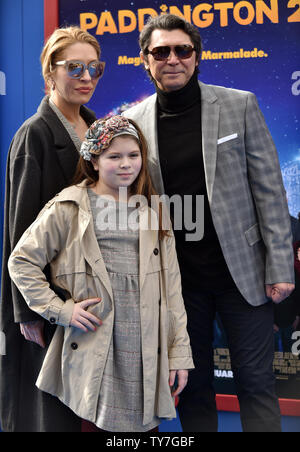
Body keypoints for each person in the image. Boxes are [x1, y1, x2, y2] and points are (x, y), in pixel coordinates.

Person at [123, 14, 295, 432]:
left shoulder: (239, 104)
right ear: (146, 61)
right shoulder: (133, 122)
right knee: (194, 387)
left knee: (255, 383)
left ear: (196, 57)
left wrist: (280, 267)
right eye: (160, 51)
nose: (172, 59)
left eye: (182, 50)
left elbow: (270, 192)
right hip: (180, 284)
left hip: (244, 274)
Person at [7, 115, 194, 432]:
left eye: (133, 155)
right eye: (114, 156)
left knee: (145, 428)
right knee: (95, 423)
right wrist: (60, 310)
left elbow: (171, 291)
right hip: (97, 344)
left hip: (147, 347)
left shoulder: (153, 212)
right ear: (94, 160)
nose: (126, 164)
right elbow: (22, 261)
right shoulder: (69, 207)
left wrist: (178, 355)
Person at [0, 26, 104, 432]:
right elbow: (19, 234)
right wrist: (27, 310)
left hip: (89, 298)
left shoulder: (99, 131)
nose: (86, 77)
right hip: (46, 302)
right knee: (49, 414)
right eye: (74, 67)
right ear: (49, 75)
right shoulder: (35, 134)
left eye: (94, 68)